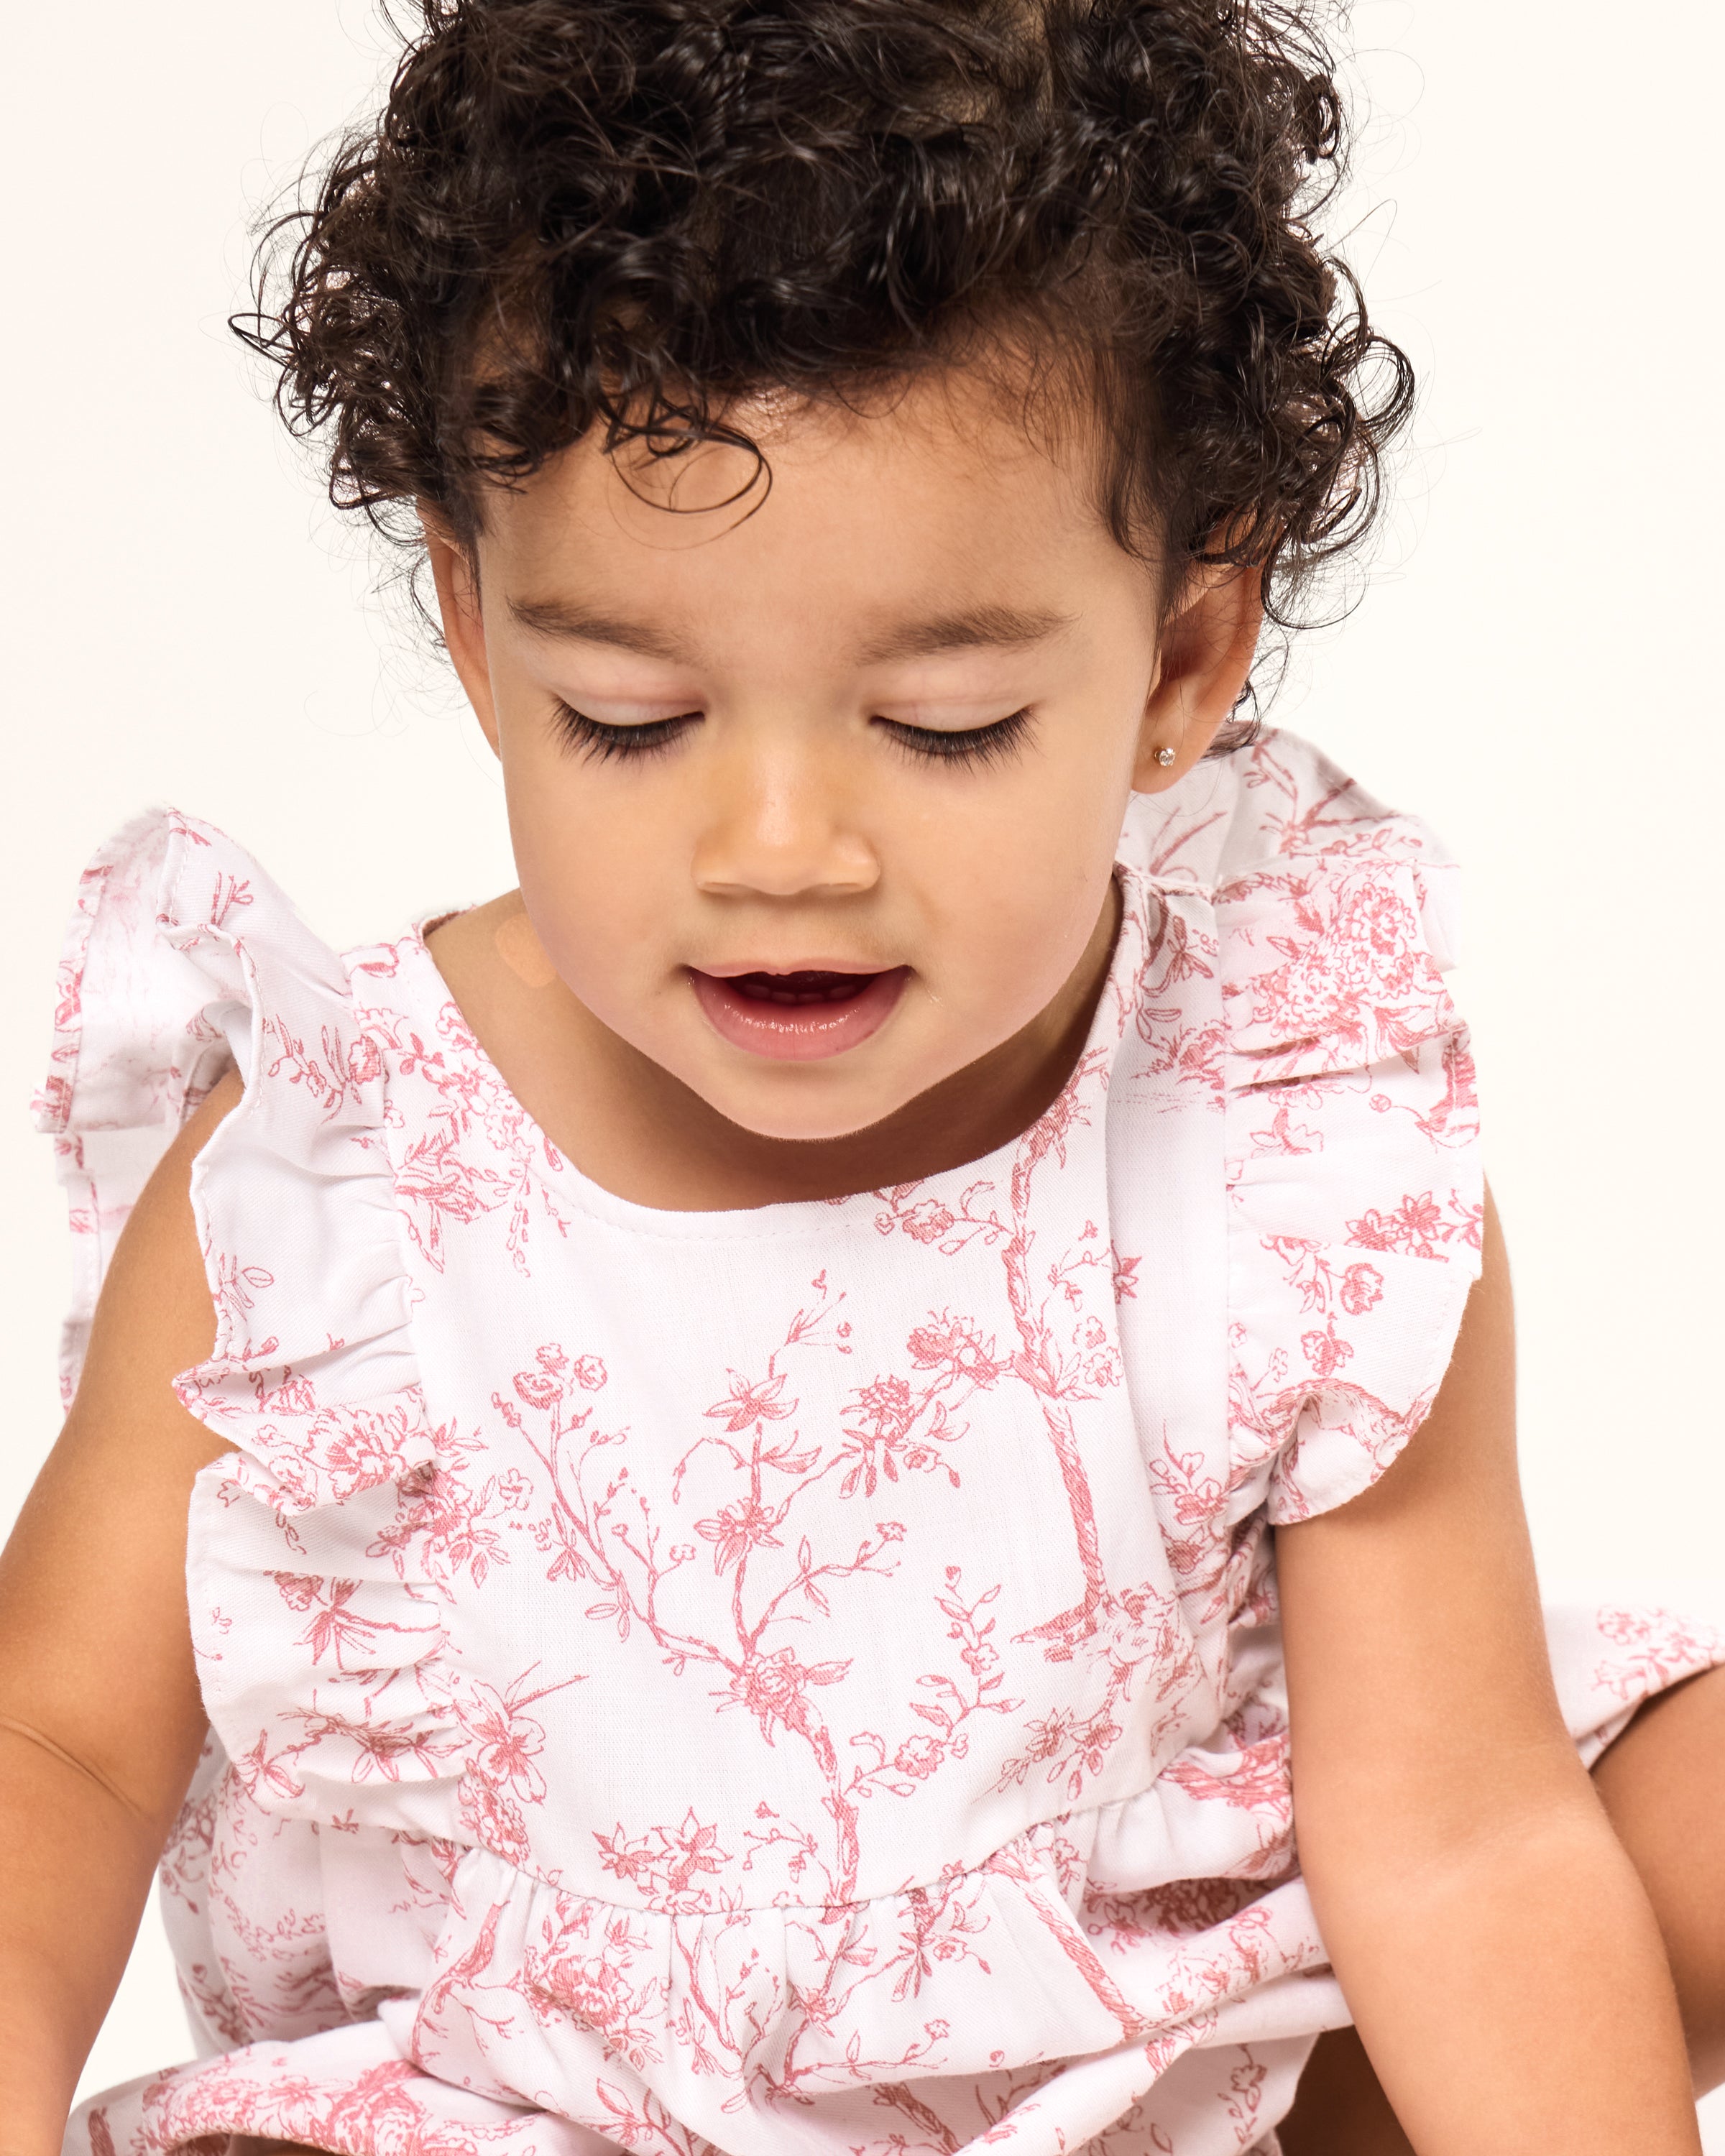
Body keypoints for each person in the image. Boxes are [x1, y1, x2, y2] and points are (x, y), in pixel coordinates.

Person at [5, 0, 1722, 2150]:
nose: (781, 856)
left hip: (1124, 2090)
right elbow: (55, 1756)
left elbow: (1455, 1834)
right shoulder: (337, 1196)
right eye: (633, 717)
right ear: (476, 624)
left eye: (944, 730)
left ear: (1182, 662)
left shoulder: (1288, 1160)